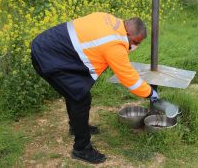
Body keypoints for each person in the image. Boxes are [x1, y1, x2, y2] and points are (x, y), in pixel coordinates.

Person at [31, 12, 159, 164]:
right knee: (80, 98)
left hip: (51, 47)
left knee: (75, 92)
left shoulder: (108, 18)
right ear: (129, 33)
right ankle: (81, 149)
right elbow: (130, 79)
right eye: (135, 42)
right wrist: (151, 93)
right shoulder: (115, 44)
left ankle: (77, 127)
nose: (134, 46)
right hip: (48, 56)